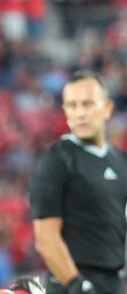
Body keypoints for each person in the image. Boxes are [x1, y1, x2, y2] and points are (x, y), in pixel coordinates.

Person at [31, 71, 127, 294]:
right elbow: (46, 238)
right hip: (71, 284)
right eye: (72, 106)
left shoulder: (121, 161)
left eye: (88, 104)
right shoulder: (57, 159)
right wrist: (77, 286)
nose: (80, 113)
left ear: (108, 108)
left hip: (113, 283)